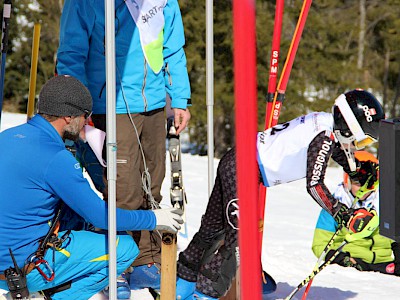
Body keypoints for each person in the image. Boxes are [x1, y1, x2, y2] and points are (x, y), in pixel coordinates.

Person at [175, 89, 385, 300]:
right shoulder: (324, 136)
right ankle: (203, 295)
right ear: (349, 127)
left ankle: (178, 289)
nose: (358, 146)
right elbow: (315, 185)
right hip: (243, 170)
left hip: (237, 162)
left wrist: (357, 169)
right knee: (236, 245)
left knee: (211, 231)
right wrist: (341, 213)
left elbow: (327, 151)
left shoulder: (323, 123)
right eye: (362, 141)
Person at [0, 76, 184, 300]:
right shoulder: (56, 158)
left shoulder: (7, 137)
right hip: (23, 267)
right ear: (68, 116)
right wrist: (153, 218)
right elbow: (102, 217)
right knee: (125, 248)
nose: (86, 123)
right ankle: (45, 296)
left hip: (6, 258)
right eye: (84, 116)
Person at [56, 0, 192, 295]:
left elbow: (173, 48)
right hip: (111, 105)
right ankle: (116, 262)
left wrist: (180, 97)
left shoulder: (162, 1)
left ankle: (147, 261)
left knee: (152, 185)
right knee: (123, 189)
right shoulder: (85, 3)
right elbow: (71, 54)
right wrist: (76, 103)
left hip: (154, 104)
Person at [312, 151, 400, 277]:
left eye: (368, 184)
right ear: (347, 182)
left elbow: (395, 237)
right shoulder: (334, 205)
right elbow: (319, 245)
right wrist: (342, 259)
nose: (363, 188)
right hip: (352, 262)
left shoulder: (386, 203)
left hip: (383, 264)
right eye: (357, 183)